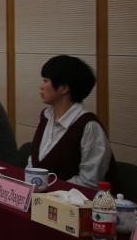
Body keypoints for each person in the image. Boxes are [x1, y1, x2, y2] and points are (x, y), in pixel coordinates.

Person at [30, 55, 114, 188]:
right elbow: (34, 163)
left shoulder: (89, 126)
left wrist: (49, 189)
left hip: (71, 198)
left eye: (46, 81)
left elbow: (89, 182)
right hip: (40, 195)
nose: (41, 87)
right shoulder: (46, 116)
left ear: (64, 88)